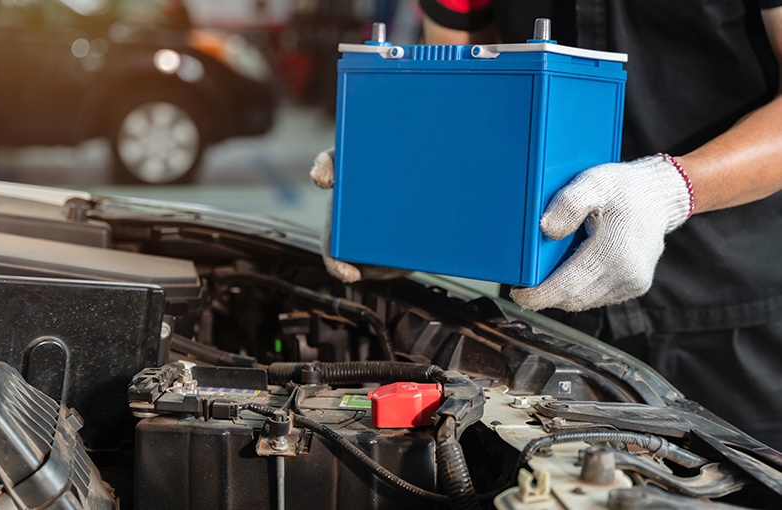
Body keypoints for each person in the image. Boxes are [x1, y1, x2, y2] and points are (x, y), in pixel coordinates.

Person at [312, 0, 782, 450]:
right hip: (545, 302)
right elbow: (458, 84)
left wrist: (671, 188)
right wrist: (401, 185)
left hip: (732, 310)